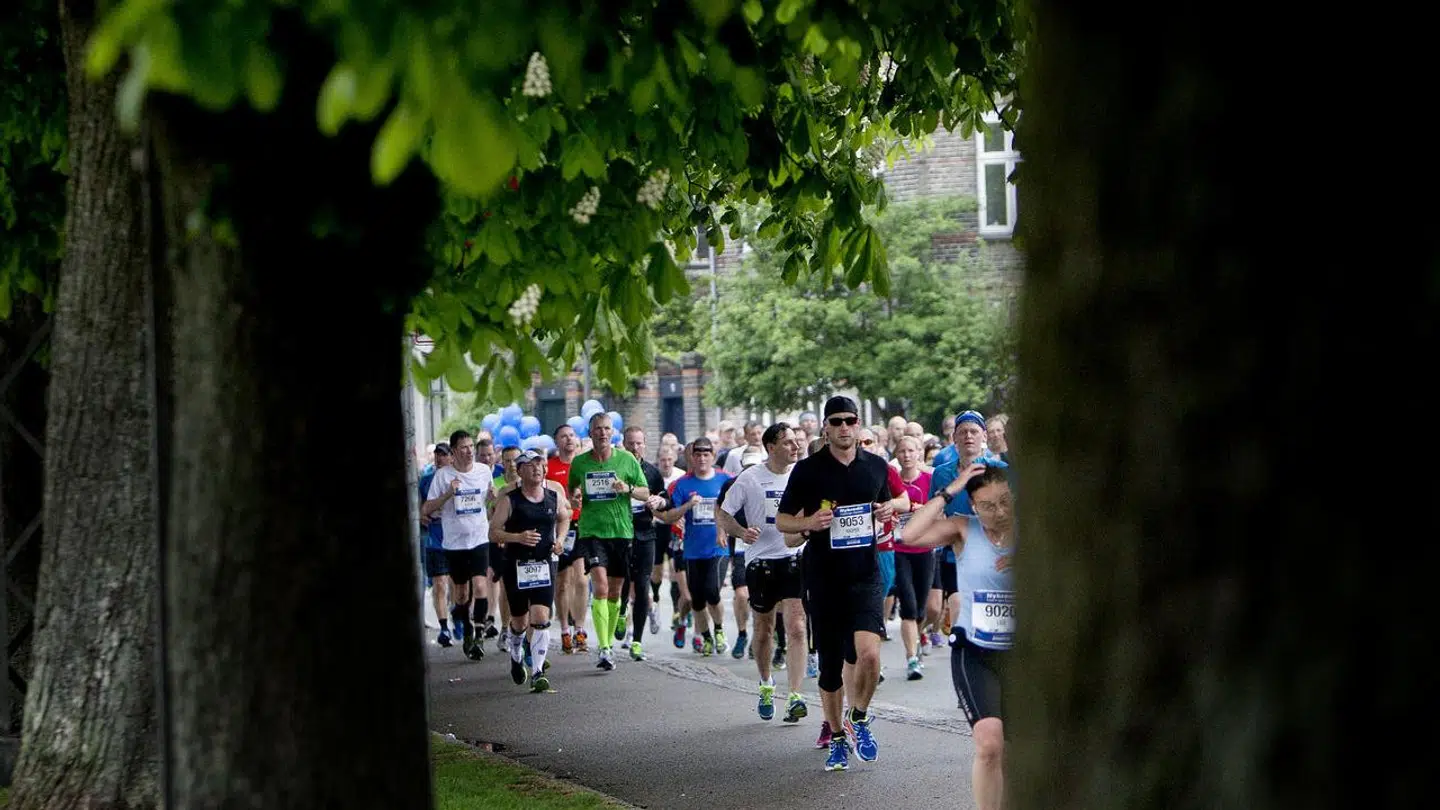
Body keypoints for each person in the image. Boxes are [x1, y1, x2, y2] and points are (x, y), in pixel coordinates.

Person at [775, 396, 909, 771]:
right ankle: (836, 737)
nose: (845, 427)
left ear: (859, 425)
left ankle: (860, 717)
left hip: (865, 573)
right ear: (826, 428)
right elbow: (782, 520)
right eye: (837, 421)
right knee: (832, 666)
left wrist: (889, 509)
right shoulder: (808, 470)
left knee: (869, 654)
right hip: (823, 578)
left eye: (851, 420)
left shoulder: (876, 467)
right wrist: (808, 524)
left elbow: (900, 500)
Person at [900, 462, 1014, 810]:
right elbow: (910, 535)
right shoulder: (964, 529)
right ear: (974, 506)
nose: (999, 511)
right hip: (974, 652)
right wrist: (951, 489)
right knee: (990, 744)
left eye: (1005, 501)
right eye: (988, 505)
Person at [718, 422, 810, 724]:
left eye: (796, 442)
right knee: (764, 629)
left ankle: (795, 695)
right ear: (771, 448)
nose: (795, 447)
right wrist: (741, 532)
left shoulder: (803, 476)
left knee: (797, 625)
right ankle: (766, 683)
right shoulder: (750, 478)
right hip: (761, 561)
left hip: (794, 556)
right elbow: (724, 512)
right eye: (787, 443)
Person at [567, 412, 651, 671]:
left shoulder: (626, 460)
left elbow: (645, 492)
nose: (602, 433)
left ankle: (609, 640)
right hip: (592, 532)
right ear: (590, 434)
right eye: (597, 429)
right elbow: (572, 491)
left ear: (612, 433)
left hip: (621, 532)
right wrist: (576, 498)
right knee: (600, 587)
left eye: (606, 429)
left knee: (615, 592)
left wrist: (627, 489)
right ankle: (604, 648)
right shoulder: (580, 463)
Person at [489, 450, 572, 693]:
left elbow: (564, 518)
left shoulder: (553, 497)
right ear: (520, 470)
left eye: (540, 464)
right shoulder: (509, 500)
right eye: (530, 465)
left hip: (544, 564)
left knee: (541, 618)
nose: (537, 468)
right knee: (520, 622)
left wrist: (560, 539)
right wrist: (518, 537)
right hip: (516, 565)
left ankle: (537, 672)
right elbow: (493, 532)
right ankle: (516, 654)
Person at [422, 430, 493, 660]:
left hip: (480, 538)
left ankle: (480, 633)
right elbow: (426, 509)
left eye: (471, 446)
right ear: (453, 452)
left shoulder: (483, 472)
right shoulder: (443, 476)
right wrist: (446, 496)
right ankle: (467, 627)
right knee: (461, 595)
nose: (469, 451)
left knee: (481, 587)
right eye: (463, 447)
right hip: (454, 543)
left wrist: (494, 498)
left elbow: (489, 503)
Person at [419, 443, 453, 646]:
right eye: (437, 455)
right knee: (439, 583)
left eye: (444, 454)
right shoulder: (425, 481)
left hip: (457, 538)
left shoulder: (460, 479)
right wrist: (421, 516)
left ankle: (458, 615)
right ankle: (444, 627)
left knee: (458, 586)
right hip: (434, 538)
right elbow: (418, 508)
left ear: (452, 457)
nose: (440, 458)